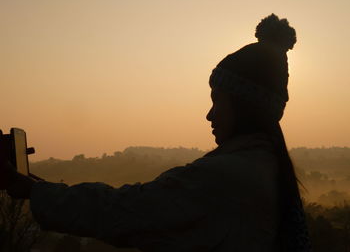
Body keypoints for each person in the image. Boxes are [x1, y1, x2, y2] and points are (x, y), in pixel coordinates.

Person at [0, 14, 312, 251]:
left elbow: (122, 210)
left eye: (218, 101)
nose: (209, 114)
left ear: (245, 106)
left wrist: (29, 189)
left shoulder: (227, 175)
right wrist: (36, 188)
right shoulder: (264, 166)